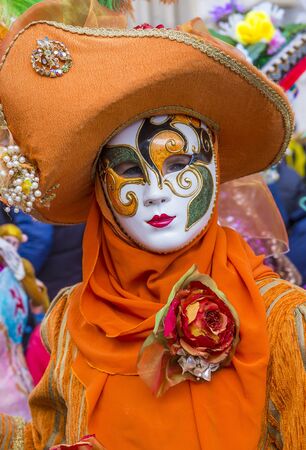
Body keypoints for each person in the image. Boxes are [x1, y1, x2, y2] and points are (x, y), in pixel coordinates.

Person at [0, 1, 305, 449]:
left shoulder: (282, 321)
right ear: (101, 189)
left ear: (215, 167)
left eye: (181, 161)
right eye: (129, 169)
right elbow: (49, 437)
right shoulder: (71, 321)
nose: (156, 191)